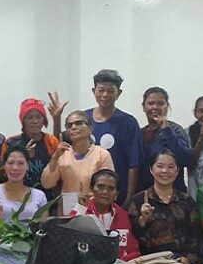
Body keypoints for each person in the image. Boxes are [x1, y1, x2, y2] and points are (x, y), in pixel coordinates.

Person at [127, 150, 203, 264]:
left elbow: (196, 236)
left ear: (177, 172)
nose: (165, 171)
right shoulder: (139, 201)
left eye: (171, 167)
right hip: (150, 263)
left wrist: (187, 259)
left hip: (182, 262)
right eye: (160, 166)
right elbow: (133, 240)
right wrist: (142, 220)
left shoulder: (186, 201)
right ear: (151, 169)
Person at [74, 70, 143, 204]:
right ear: (94, 91)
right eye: (101, 90)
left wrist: (129, 197)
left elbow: (134, 163)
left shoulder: (128, 123)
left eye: (111, 91)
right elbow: (68, 151)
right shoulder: (83, 118)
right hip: (84, 194)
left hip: (117, 194)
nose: (105, 95)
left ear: (119, 93)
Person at [41, 110, 114, 214]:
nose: (73, 127)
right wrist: (55, 158)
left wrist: (90, 197)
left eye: (79, 123)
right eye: (69, 125)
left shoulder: (102, 154)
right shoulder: (62, 154)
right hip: (67, 212)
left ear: (90, 128)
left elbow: (109, 186)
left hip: (96, 210)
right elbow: (47, 184)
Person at [0, 145, 47, 244]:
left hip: (30, 249)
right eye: (10, 163)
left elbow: (43, 234)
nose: (15, 168)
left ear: (28, 166)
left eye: (21, 163)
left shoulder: (39, 195)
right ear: (4, 166)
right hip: (1, 248)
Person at [70, 169, 140, 261]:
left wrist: (121, 263)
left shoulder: (122, 215)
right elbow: (67, 237)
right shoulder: (81, 210)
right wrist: (81, 208)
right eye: (100, 187)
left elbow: (132, 249)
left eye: (111, 188)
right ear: (92, 189)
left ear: (117, 193)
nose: (105, 192)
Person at [0, 98, 61, 201]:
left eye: (38, 117)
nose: (35, 121)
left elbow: (60, 169)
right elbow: (2, 175)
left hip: (48, 198)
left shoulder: (51, 141)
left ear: (44, 120)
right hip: (19, 198)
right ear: (23, 121)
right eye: (30, 117)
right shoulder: (11, 143)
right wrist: (24, 158)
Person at [138, 87, 192, 193]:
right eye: (151, 103)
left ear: (167, 106)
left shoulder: (175, 130)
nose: (155, 107)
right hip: (144, 193)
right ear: (144, 107)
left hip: (173, 193)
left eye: (160, 103)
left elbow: (185, 159)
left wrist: (167, 131)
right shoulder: (139, 133)